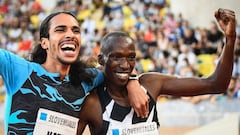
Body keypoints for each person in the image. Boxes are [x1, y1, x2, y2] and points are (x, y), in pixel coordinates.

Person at [77, 8, 236, 135]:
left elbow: (216, 84)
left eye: (131, 57)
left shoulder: (150, 84)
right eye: (116, 57)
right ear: (101, 60)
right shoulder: (92, 104)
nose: (125, 65)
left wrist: (230, 39)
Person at [0, 11, 149, 135]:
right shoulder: (19, 70)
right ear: (44, 42)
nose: (70, 34)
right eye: (61, 29)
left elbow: (117, 67)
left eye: (75, 30)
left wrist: (133, 82)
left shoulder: (85, 79)